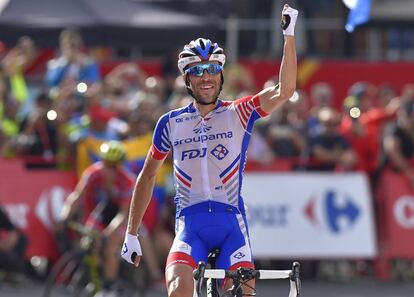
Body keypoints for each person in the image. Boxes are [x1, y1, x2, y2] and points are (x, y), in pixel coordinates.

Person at [121, 4, 298, 297]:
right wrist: (131, 232)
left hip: (231, 223)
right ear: (187, 79)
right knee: (178, 290)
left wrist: (289, 34)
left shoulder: (239, 112)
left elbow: (285, 90)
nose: (207, 77)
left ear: (221, 75)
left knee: (244, 293)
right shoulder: (171, 122)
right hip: (191, 224)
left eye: (213, 69)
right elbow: (148, 175)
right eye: (198, 71)